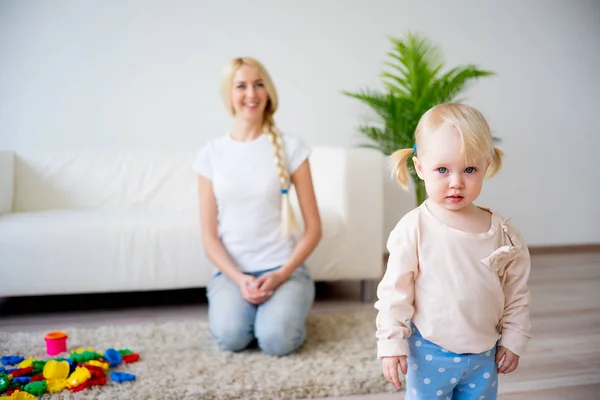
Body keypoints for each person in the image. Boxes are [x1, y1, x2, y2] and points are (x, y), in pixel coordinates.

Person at [375, 103, 532, 399]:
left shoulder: (502, 231)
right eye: (442, 170)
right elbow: (394, 293)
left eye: (469, 169)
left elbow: (516, 292)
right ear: (420, 168)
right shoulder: (414, 228)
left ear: (487, 165)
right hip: (429, 352)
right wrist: (391, 343)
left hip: (486, 353)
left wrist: (514, 338)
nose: (456, 182)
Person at [192, 57, 322, 357]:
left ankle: (282, 313)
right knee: (231, 338)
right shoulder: (211, 154)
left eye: (259, 84)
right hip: (232, 273)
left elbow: (314, 229)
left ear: (269, 91)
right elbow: (209, 238)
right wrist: (240, 280)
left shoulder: (292, 147)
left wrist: (279, 276)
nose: (251, 93)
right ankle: (253, 313)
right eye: (241, 86)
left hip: (285, 271)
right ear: (229, 95)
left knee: (277, 341)